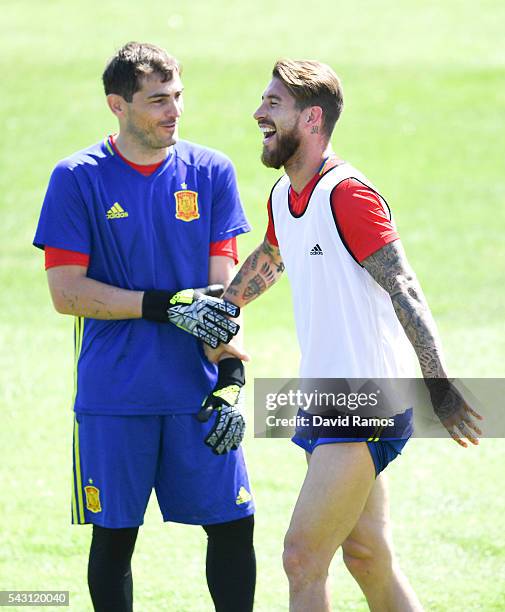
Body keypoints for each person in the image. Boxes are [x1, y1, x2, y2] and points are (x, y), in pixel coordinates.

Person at [210, 59, 483, 611]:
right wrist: (226, 303)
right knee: (367, 555)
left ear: (311, 119)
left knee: (301, 558)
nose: (258, 113)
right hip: (326, 395)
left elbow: (404, 287)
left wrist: (440, 383)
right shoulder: (286, 197)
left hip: (366, 398)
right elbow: (273, 253)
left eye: (273, 104)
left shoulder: (347, 194)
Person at [33, 42, 256, 612]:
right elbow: (66, 294)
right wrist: (162, 304)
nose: (174, 111)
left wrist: (229, 377)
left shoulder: (211, 172)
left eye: (178, 96)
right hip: (116, 396)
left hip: (197, 396)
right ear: (117, 105)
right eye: (158, 100)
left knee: (233, 527)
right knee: (114, 539)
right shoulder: (76, 178)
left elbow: (220, 300)